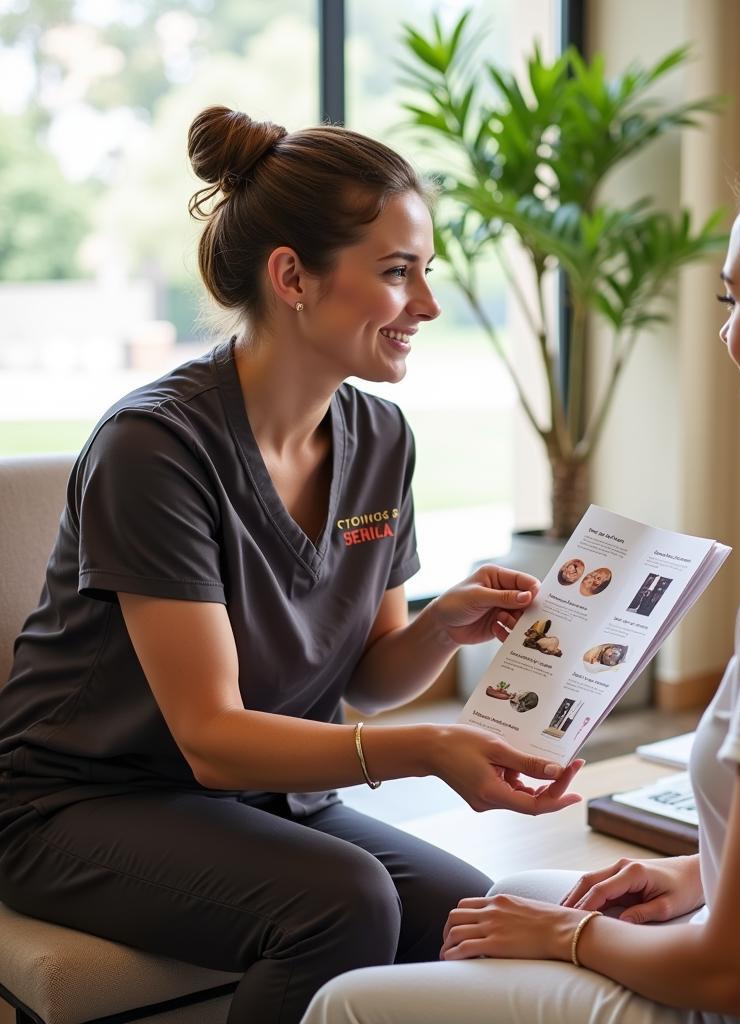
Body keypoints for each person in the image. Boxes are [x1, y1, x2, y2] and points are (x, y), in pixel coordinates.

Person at [299, 138, 740, 1024]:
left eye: (734, 298)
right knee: (519, 887)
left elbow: (735, 975)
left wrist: (563, 941)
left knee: (348, 1004)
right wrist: (693, 872)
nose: (725, 330)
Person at [0, 106, 584, 1024]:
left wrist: (441, 624)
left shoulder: (381, 438)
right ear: (292, 277)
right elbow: (213, 737)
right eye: (398, 273)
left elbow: (372, 680)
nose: (427, 305)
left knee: (470, 922)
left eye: (424, 271)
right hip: (82, 807)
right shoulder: (154, 448)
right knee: (343, 902)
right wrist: (430, 751)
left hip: (268, 798)